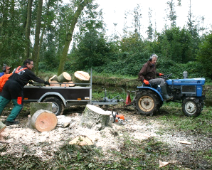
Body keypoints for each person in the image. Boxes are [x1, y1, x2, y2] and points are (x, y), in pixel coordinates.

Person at [0, 59, 50, 126]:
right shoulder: (28, 71)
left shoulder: (17, 68)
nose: (33, 66)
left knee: (2, 102)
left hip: (7, 84)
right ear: (27, 64)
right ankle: (9, 120)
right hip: (16, 87)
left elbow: (18, 76)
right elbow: (36, 79)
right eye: (32, 64)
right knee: (18, 104)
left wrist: (27, 81)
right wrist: (45, 82)